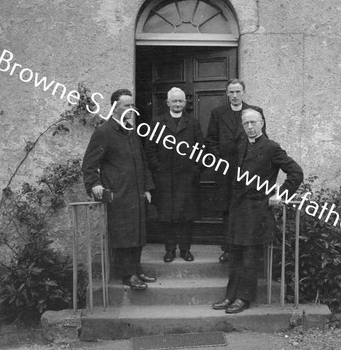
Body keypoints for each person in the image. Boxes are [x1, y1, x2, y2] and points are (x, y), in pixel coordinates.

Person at [212, 108, 302, 314]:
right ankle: (230, 296)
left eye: (254, 123)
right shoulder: (241, 144)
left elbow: (296, 172)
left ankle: (244, 298)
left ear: (262, 123)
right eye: (246, 124)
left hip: (257, 211)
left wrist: (280, 194)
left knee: (250, 257)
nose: (250, 127)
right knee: (235, 255)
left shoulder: (271, 147)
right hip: (238, 209)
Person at [81, 89, 156, 291]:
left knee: (138, 234)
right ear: (115, 107)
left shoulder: (132, 131)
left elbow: (142, 161)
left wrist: (147, 187)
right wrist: (94, 185)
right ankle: (128, 275)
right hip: (118, 194)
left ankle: (136, 269)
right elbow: (89, 164)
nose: (131, 110)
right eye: (126, 106)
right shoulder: (104, 132)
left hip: (137, 193)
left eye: (132, 106)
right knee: (124, 235)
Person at [205, 79, 267, 263]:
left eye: (238, 92)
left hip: (247, 171)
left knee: (245, 209)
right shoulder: (218, 113)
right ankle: (228, 249)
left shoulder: (255, 112)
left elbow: (263, 139)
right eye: (231, 92)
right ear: (226, 93)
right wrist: (221, 161)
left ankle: (244, 251)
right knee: (227, 210)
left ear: (244, 92)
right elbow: (211, 140)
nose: (234, 96)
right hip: (225, 172)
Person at [146, 87, 204, 263]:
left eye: (181, 101)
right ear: (168, 103)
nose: (178, 104)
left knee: (187, 216)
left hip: (187, 179)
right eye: (174, 101)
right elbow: (150, 150)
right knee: (167, 216)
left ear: (185, 103)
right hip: (165, 179)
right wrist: (158, 170)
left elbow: (201, 149)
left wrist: (195, 169)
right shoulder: (157, 123)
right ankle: (170, 249)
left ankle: (185, 250)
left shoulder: (193, 123)